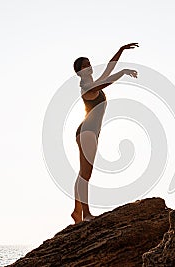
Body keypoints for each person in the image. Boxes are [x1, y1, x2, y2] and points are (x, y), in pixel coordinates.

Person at [71, 43, 139, 223]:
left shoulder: (94, 84)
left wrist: (121, 50)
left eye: (89, 63)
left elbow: (109, 68)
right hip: (87, 132)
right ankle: (86, 214)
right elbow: (108, 81)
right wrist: (123, 72)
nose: (89, 66)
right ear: (79, 72)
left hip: (90, 132)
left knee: (83, 173)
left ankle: (77, 211)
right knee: (86, 174)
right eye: (85, 65)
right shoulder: (86, 88)